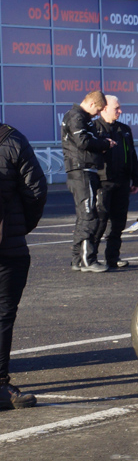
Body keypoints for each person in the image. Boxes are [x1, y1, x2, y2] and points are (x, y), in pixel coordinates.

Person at [0, 122, 47, 409]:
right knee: (3, 314)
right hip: (8, 247)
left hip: (10, 245)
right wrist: (20, 228)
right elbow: (36, 190)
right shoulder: (13, 140)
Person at [62, 90, 116, 273]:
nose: (98, 114)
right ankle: (88, 260)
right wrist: (104, 144)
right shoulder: (76, 116)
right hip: (81, 171)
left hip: (85, 171)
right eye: (99, 109)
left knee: (84, 216)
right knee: (89, 215)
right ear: (92, 104)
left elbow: (87, 139)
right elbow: (83, 141)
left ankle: (77, 260)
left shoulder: (81, 118)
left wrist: (101, 141)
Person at [95, 95, 138, 269]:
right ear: (104, 108)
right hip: (103, 182)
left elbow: (132, 155)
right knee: (100, 221)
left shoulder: (124, 129)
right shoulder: (94, 128)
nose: (120, 111)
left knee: (118, 222)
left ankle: (112, 258)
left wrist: (136, 178)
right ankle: (90, 258)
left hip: (122, 182)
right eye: (117, 108)